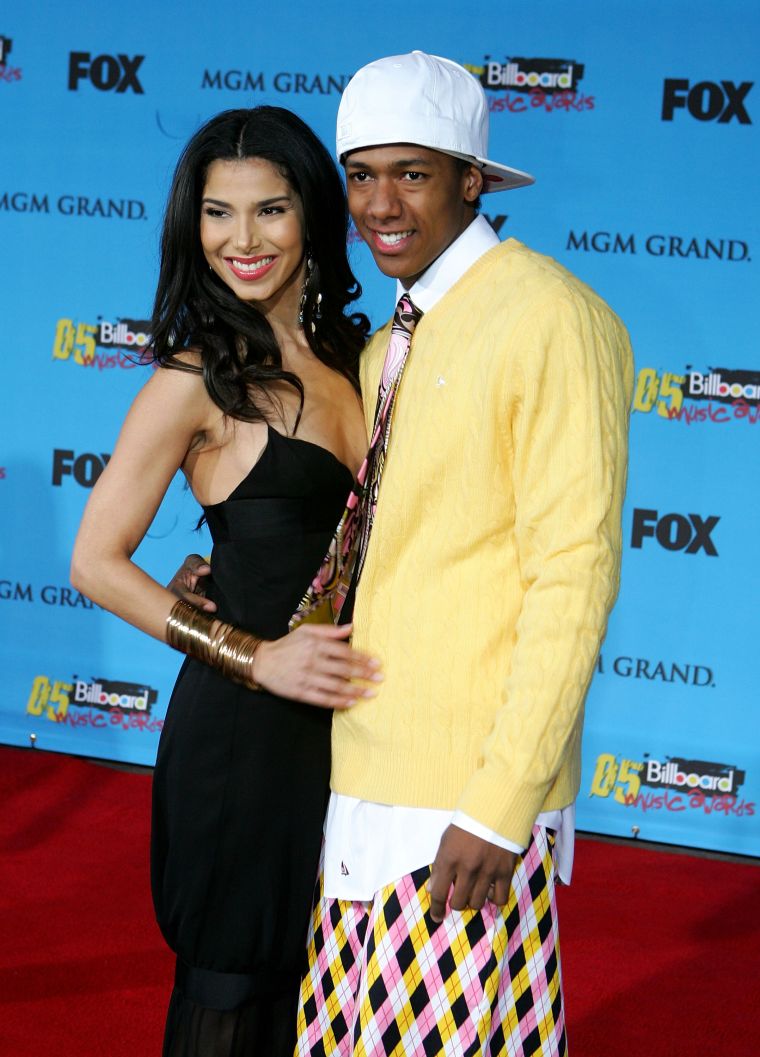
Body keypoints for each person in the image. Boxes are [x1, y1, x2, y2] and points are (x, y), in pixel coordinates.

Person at [289, 52, 634, 1056]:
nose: (380, 205)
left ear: (473, 179)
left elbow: (573, 572)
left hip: (463, 795)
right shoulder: (389, 341)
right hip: (365, 768)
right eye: (361, 175)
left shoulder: (550, 316)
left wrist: (499, 805)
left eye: (413, 173)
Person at [70, 106, 382, 1057]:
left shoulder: (359, 357)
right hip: (242, 735)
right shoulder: (198, 376)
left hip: (349, 731)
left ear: (313, 214)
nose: (242, 239)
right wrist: (255, 656)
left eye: (270, 209)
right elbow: (94, 561)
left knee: (313, 994)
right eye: (217, 212)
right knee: (232, 994)